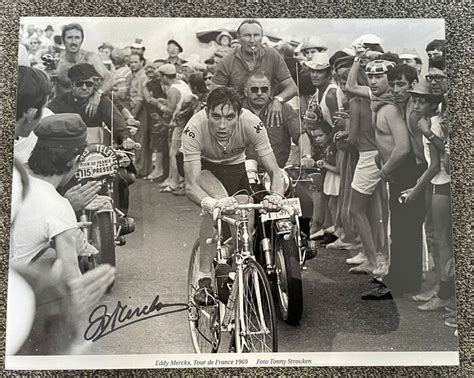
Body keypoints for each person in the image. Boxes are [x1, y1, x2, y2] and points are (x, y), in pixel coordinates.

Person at [181, 87, 285, 305]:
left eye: (229, 117)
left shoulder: (252, 122)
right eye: (216, 116)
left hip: (236, 167)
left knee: (243, 217)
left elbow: (275, 171)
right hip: (204, 169)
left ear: (239, 115)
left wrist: (276, 196)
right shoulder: (194, 127)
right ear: (206, 112)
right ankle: (204, 280)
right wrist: (211, 203)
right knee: (217, 207)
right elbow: (190, 185)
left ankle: (232, 258)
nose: (222, 125)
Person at [347, 56, 423, 298]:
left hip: (402, 172)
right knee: (399, 231)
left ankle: (401, 285)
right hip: (397, 171)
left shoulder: (389, 109)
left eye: (380, 77)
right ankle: (400, 280)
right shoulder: (381, 103)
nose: (374, 81)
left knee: (403, 231)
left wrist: (385, 169)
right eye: (371, 76)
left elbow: (403, 148)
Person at [11, 114, 88, 281]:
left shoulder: (12, 173)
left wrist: (46, 242)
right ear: (74, 162)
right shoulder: (58, 206)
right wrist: (72, 251)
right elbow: (73, 290)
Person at [400, 80, 454, 312]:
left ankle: (446, 293)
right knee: (432, 235)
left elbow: (435, 166)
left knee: (442, 239)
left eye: (422, 101)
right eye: (415, 101)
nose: (417, 105)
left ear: (435, 105)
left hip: (443, 183)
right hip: (434, 183)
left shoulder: (433, 123)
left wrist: (415, 189)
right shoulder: (424, 122)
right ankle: (439, 287)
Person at [212, 19, 297, 128]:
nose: (252, 40)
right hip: (238, 117)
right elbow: (215, 95)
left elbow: (292, 88)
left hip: (267, 112)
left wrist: (278, 100)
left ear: (262, 36)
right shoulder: (227, 62)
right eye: (247, 35)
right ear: (238, 38)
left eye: (256, 35)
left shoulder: (272, 56)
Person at [242, 71, 312, 168]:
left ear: (270, 91)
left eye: (264, 89)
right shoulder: (236, 111)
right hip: (243, 172)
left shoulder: (284, 109)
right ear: (245, 91)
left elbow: (301, 134)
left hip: (277, 172)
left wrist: (306, 156)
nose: (259, 93)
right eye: (254, 89)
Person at [55, 23, 114, 116]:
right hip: (64, 110)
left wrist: (98, 95)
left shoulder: (90, 58)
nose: (73, 42)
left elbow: (110, 78)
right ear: (63, 40)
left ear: (82, 40)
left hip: (88, 108)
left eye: (77, 38)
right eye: (69, 37)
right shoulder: (57, 61)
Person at [154, 63, 192, 192]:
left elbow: (170, 111)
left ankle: (175, 182)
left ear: (165, 76)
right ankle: (176, 180)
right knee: (180, 152)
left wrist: (158, 104)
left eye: (161, 76)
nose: (161, 79)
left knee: (173, 153)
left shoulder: (172, 90)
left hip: (179, 123)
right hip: (187, 120)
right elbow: (179, 102)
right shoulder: (182, 84)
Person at [142, 62, 169, 181]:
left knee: (160, 143)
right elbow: (149, 100)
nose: (149, 70)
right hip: (153, 115)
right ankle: (158, 169)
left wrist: (157, 102)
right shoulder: (148, 83)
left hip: (161, 115)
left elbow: (150, 99)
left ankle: (159, 170)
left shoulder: (162, 83)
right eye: (147, 68)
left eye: (152, 68)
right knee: (156, 143)